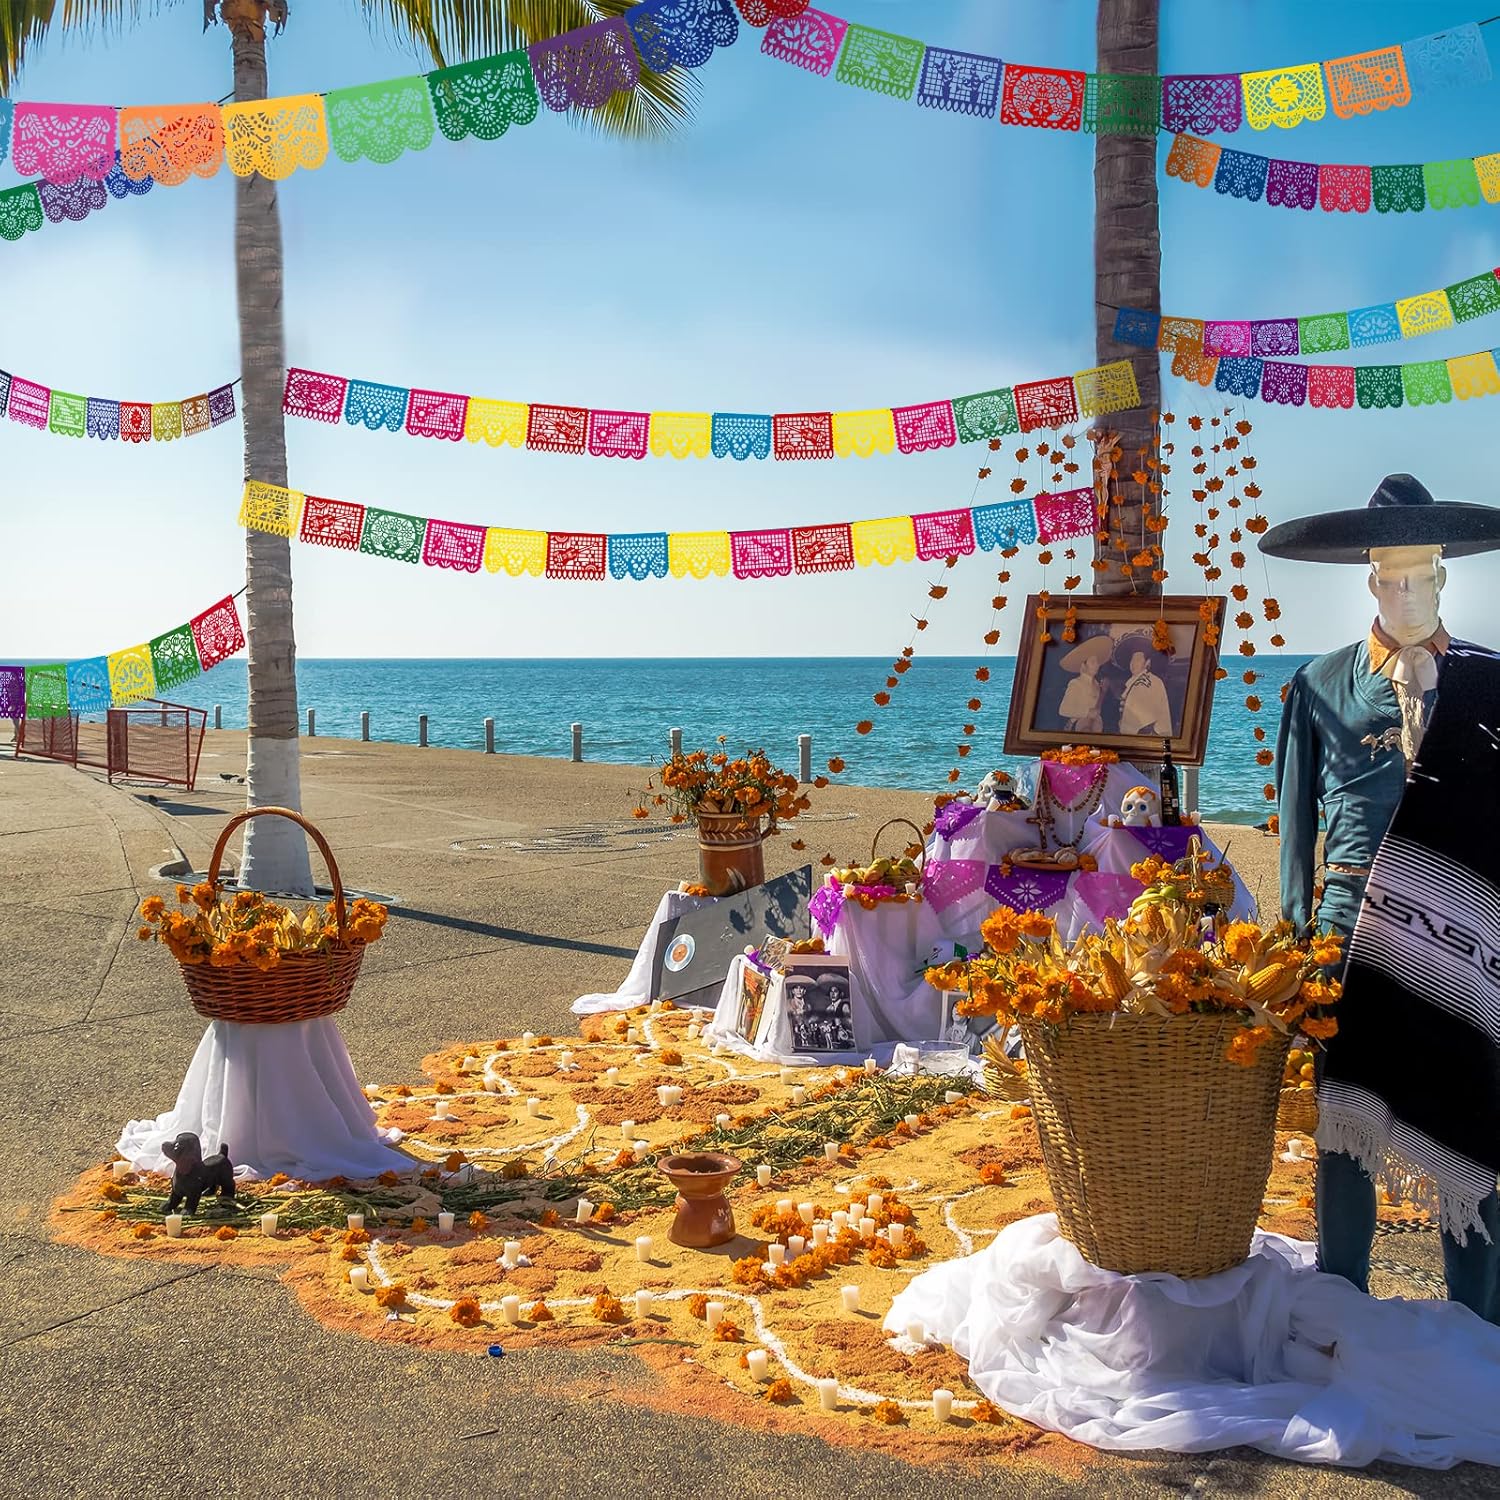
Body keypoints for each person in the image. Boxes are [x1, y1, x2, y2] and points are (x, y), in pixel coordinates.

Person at [1263, 472, 1500, 1324]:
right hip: (1348, 939)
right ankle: (1342, 1308)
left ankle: (1480, 1325)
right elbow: (1294, 828)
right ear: (1369, 579)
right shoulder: (1319, 685)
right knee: (1346, 1135)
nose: (1407, 592)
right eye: (1391, 577)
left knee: (1472, 1129)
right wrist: (1291, 947)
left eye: (1423, 575)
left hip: (1468, 939)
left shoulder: (1492, 683)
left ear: (1445, 576)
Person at [1114, 636, 1173, 736]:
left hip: (1152, 739)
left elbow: (1145, 723)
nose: (1133, 663)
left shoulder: (1150, 682)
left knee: (1166, 751)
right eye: (1132, 659)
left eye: (1137, 659)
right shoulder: (1135, 682)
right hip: (1136, 738)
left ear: (1147, 662)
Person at [1056, 635, 1110, 733]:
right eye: (1093, 662)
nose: (1097, 665)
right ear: (1083, 666)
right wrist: (1087, 713)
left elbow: (1097, 711)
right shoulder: (1076, 683)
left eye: (1097, 662)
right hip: (1077, 729)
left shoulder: (1098, 685)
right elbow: (1063, 709)